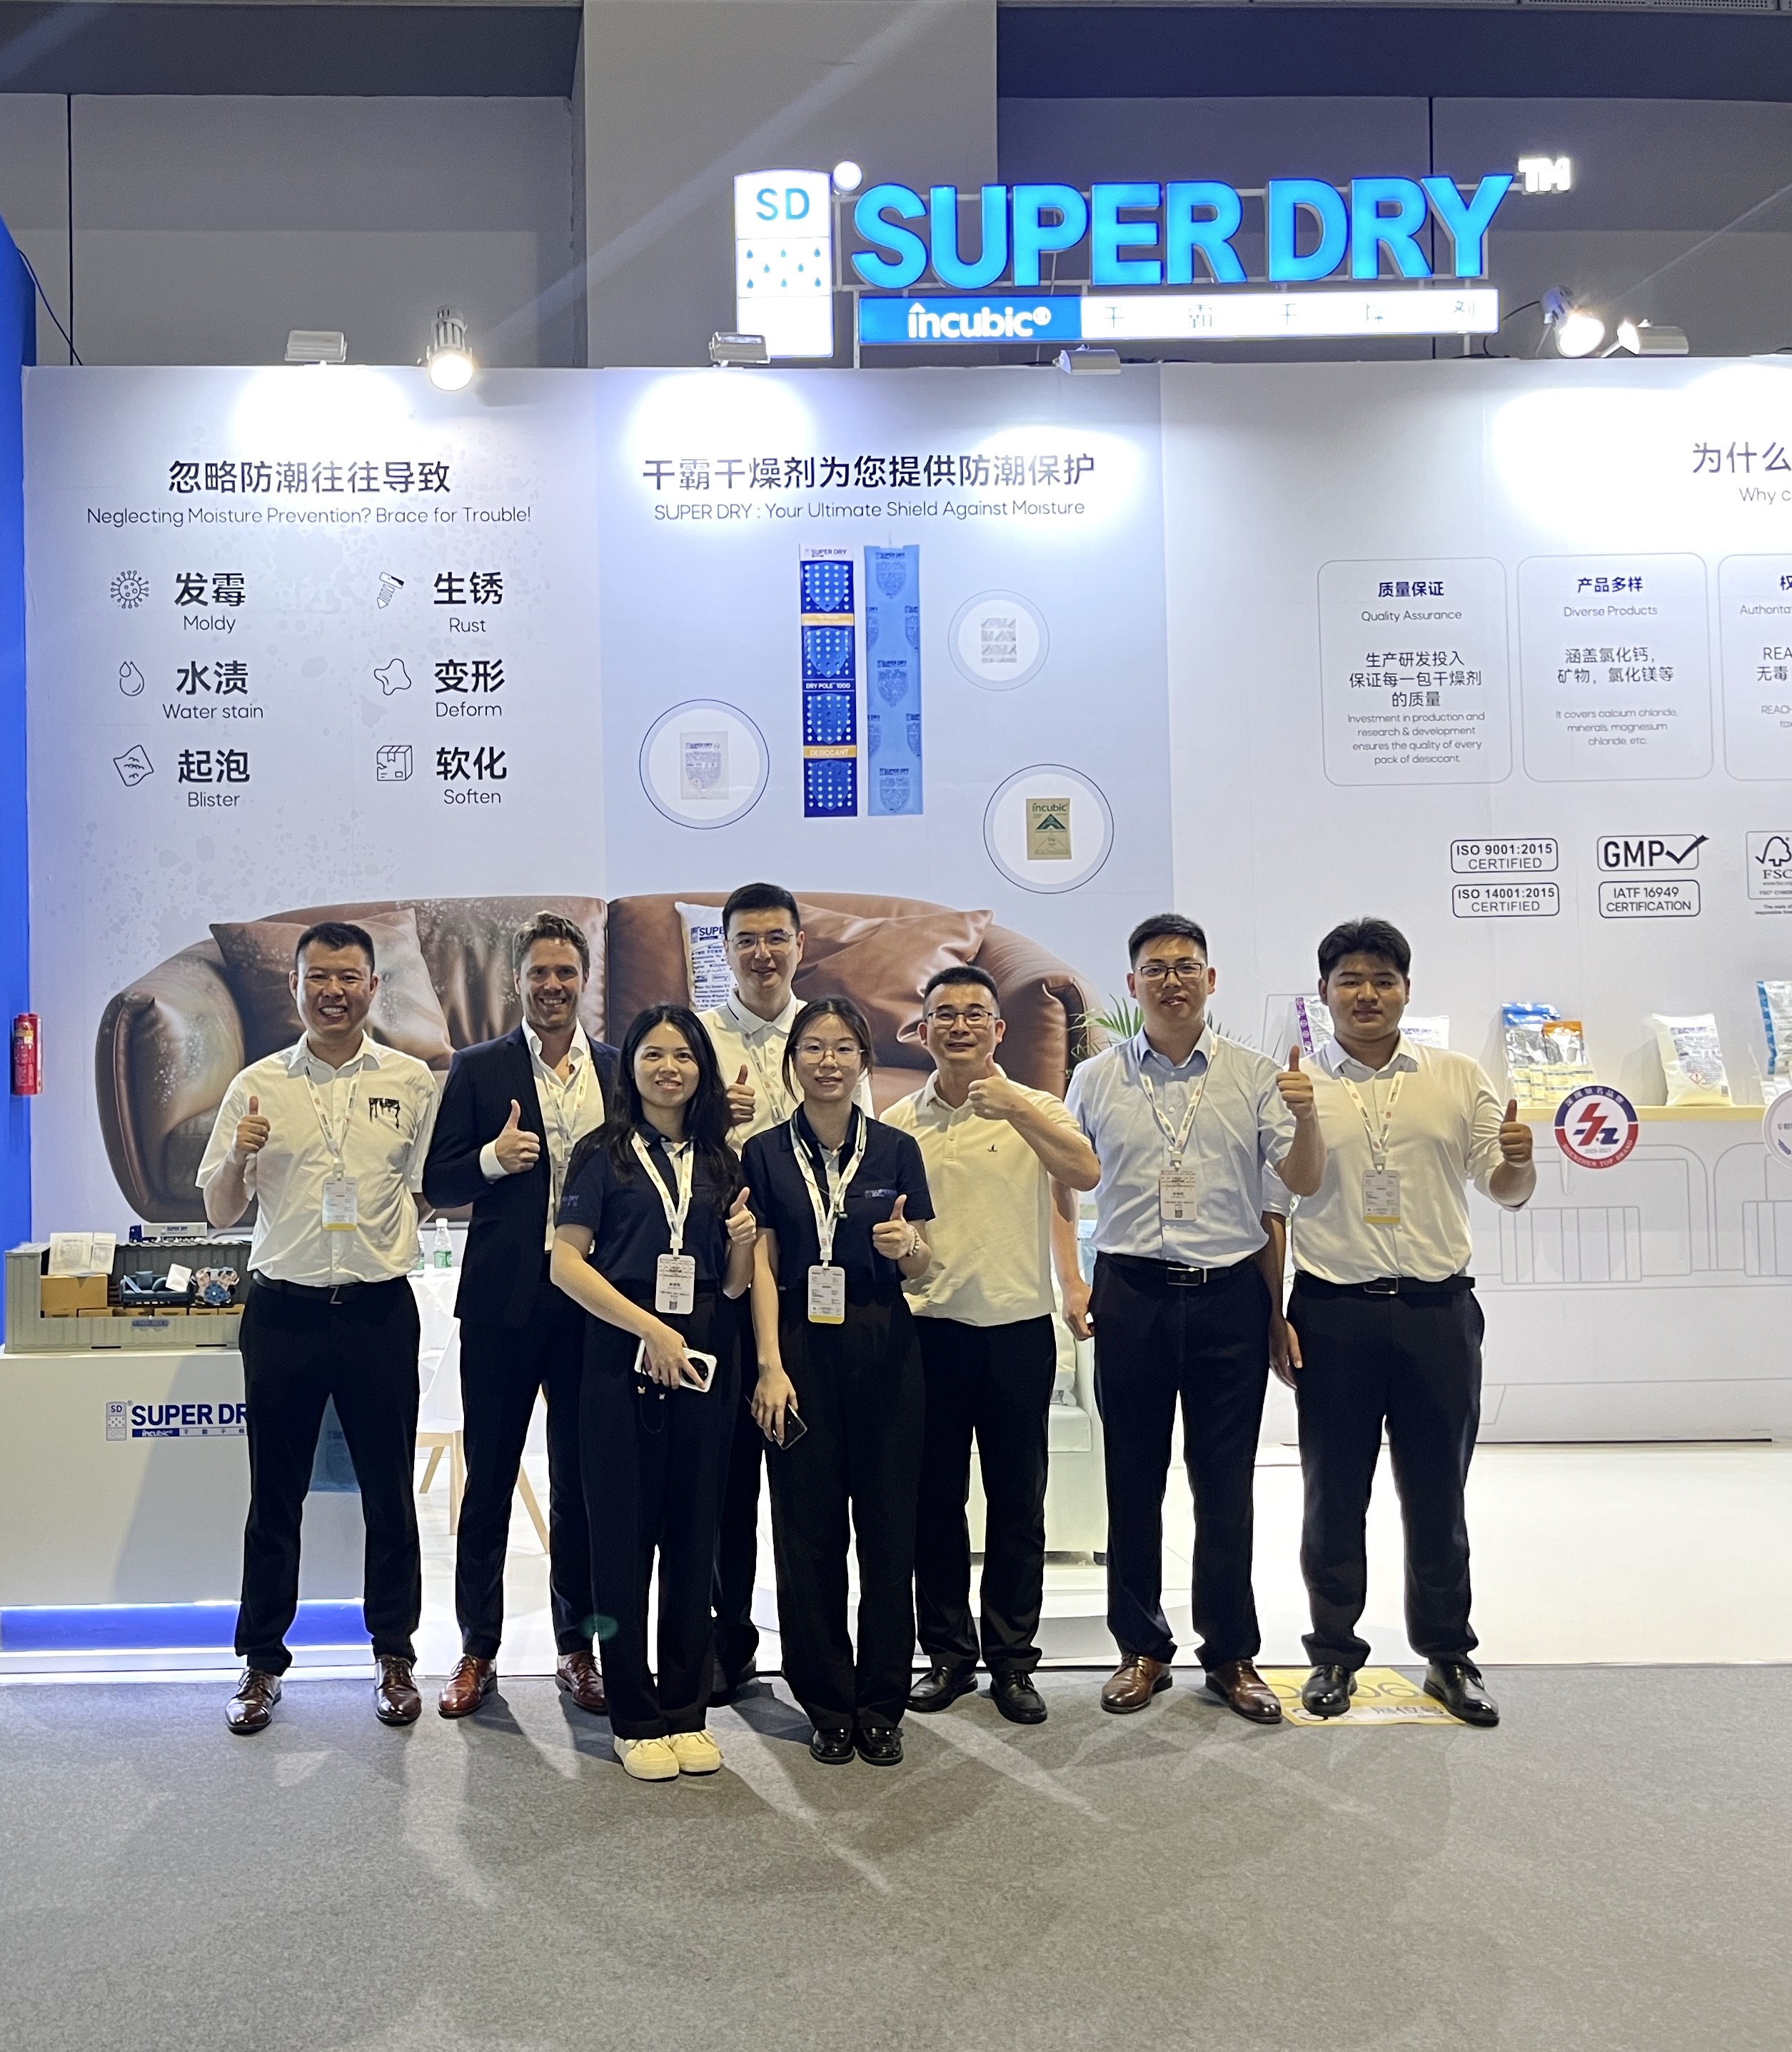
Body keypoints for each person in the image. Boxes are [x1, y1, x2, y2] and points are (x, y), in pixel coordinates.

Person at [1064, 914, 1325, 1724]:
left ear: (1210, 981)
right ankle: (1140, 1648)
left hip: (1228, 1296)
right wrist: (1070, 1279)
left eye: (1185, 967)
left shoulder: (1254, 1076)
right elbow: (1062, 1181)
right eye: (1154, 968)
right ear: (1132, 983)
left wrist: (1308, 1116)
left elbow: (1298, 1187)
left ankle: (1230, 1654)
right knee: (1132, 1479)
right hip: (1131, 1293)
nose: (1170, 981)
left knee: (1225, 1483)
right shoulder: (1095, 1078)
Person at [1277, 917, 1534, 1728]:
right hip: (1332, 1313)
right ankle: (1332, 1652)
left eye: (1382, 980)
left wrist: (1520, 1159)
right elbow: (1275, 1205)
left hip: (1436, 1312)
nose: (1367, 994)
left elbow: (1505, 1190)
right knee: (1332, 1493)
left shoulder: (1456, 1077)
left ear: (1406, 991)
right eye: (1349, 981)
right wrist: (1273, 1316)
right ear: (1323, 994)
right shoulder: (1297, 1085)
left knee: (1437, 1493)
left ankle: (1448, 1654)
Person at [198, 921, 441, 1734]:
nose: (333, 992)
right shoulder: (256, 1085)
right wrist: (239, 1157)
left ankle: (395, 1654)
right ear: (295, 987)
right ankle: (261, 1663)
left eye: (348, 978)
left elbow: (422, 1188)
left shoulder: (410, 1080)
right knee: (275, 1496)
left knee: (389, 1495)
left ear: (373, 987)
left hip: (377, 1313)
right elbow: (219, 1209)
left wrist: (381, 1242)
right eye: (318, 978)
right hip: (284, 1314)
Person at [885, 965, 1100, 1725]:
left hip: (1016, 1332)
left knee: (1017, 1503)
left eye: (975, 1013)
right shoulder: (900, 1120)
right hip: (929, 1332)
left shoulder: (1037, 1106)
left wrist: (1016, 1108)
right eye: (943, 1014)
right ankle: (947, 1654)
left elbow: (1083, 1173)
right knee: (933, 1503)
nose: (959, 1026)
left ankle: (1011, 1660)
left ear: (998, 1030)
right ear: (923, 1031)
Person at [550, 1004, 757, 1781]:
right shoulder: (601, 1154)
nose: (668, 1069)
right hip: (619, 1353)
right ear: (630, 1066)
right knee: (621, 1540)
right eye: (653, 1055)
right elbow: (565, 1264)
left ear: (702, 1070)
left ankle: (686, 1710)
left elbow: (732, 1287)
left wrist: (742, 1248)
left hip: (703, 1356)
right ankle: (635, 1717)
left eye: (683, 1056)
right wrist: (649, 1330)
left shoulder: (721, 1162)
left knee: (695, 1536)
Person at [421, 910, 618, 1719]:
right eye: (538, 972)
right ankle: (477, 1649)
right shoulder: (479, 1068)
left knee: (582, 1485)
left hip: (593, 1304)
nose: (552, 985)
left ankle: (580, 1648)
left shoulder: (617, 1070)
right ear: (516, 981)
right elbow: (438, 1182)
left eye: (565, 972)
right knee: (490, 1482)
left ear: (584, 980)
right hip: (505, 1303)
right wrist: (490, 1160)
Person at [742, 998, 934, 1766]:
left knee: (888, 1533)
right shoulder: (762, 1153)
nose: (828, 1061)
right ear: (792, 1060)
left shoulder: (895, 1149)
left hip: (884, 1343)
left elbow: (923, 1264)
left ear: (863, 1060)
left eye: (844, 1048)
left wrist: (906, 1244)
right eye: (813, 1048)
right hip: (797, 1348)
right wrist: (769, 1365)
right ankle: (825, 1702)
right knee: (806, 1534)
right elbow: (761, 1264)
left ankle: (882, 1703)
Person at [698, 882, 870, 1703]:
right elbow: (659, 1136)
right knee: (726, 1479)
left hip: (810, 1296)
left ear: (800, 945)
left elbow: (863, 1153)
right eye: (745, 939)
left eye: (776, 938)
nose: (761, 953)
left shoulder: (828, 1034)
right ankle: (728, 1639)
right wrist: (711, 1115)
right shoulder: (698, 1039)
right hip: (723, 1286)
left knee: (812, 1485)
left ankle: (825, 1655)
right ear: (724, 949)